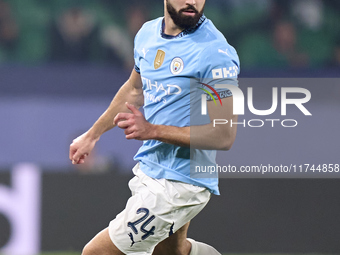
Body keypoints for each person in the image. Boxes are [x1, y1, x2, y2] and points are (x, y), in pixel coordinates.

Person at [69, 0, 240, 254]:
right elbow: (135, 90)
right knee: (171, 252)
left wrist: (152, 130)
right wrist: (93, 135)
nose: (193, 1)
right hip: (152, 170)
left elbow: (223, 134)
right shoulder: (148, 34)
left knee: (96, 253)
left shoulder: (216, 54)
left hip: (182, 181)